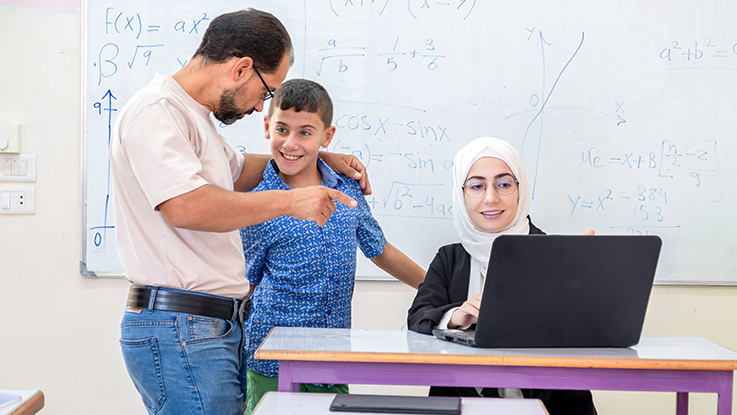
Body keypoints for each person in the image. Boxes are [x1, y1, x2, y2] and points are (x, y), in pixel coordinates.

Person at [110, 10, 373, 415]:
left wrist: (319, 159)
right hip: (180, 324)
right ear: (241, 68)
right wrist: (291, 201)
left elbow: (243, 171)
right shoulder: (158, 112)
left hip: (207, 325)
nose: (257, 109)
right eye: (267, 93)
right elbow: (185, 205)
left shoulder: (194, 118)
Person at [239, 78, 427, 413]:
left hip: (332, 355)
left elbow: (378, 248)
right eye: (282, 129)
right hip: (271, 361)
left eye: (305, 133)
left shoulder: (347, 188)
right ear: (267, 127)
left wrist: (437, 289)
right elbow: (246, 284)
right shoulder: (259, 201)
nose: (291, 143)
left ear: (327, 137)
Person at [407, 137, 597, 415]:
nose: (491, 197)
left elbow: (587, 331)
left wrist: (579, 279)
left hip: (553, 405)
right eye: (476, 186)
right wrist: (455, 317)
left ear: (521, 189)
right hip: (458, 404)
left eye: (504, 184)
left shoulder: (556, 254)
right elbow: (417, 318)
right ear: (461, 194)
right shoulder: (448, 258)